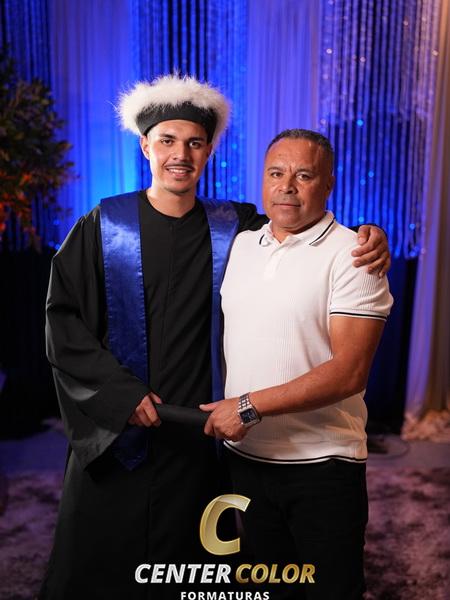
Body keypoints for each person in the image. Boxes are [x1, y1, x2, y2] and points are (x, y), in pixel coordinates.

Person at [40, 75, 390, 600]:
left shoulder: (234, 226)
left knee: (198, 570)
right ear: (146, 146)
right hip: (124, 429)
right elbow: (63, 323)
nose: (180, 155)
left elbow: (301, 220)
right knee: (100, 567)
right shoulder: (103, 225)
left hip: (199, 434)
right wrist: (120, 395)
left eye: (195, 143)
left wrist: (369, 233)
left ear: (208, 151)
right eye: (167, 141)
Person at [201, 129, 393, 600]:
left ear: (328, 183)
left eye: (304, 175)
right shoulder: (240, 245)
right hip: (247, 460)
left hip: (322, 464)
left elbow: (350, 372)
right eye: (276, 173)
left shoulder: (354, 254)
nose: (287, 186)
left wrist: (246, 406)